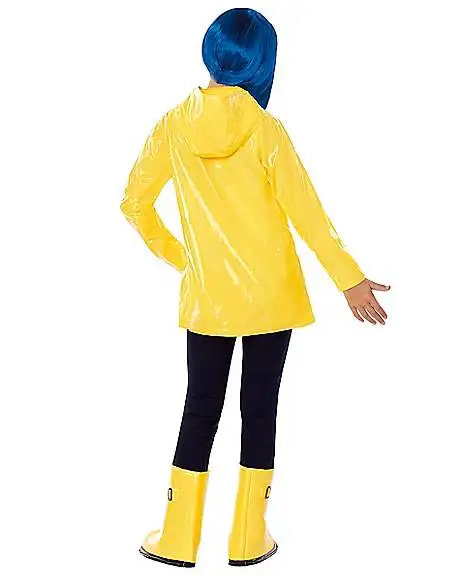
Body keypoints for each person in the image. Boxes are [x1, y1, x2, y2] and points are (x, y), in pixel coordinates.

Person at [120, 7, 390, 569]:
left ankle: (177, 536)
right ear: (264, 63)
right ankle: (248, 537)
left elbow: (134, 204)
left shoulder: (172, 124)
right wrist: (349, 280)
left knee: (200, 407)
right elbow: (308, 214)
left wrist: (187, 260)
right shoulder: (266, 130)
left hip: (209, 298)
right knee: (259, 407)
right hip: (272, 295)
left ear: (209, 54)